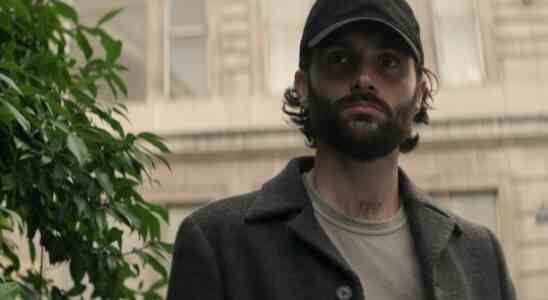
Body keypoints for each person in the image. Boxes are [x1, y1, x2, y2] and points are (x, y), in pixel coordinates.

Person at [167, 0, 517, 299]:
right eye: (340, 59)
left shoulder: (479, 255)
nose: (364, 78)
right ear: (302, 86)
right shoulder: (219, 243)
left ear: (421, 93)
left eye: (388, 63)